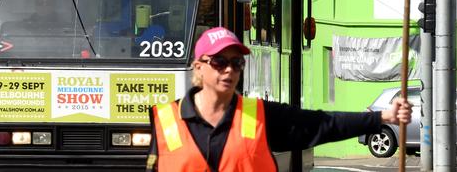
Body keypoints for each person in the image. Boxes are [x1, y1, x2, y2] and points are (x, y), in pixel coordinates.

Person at [146, 26, 412, 172]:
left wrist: (382, 117)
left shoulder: (260, 116)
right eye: (219, 61)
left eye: (237, 62)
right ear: (199, 66)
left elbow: (322, 124)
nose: (229, 69)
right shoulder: (166, 121)